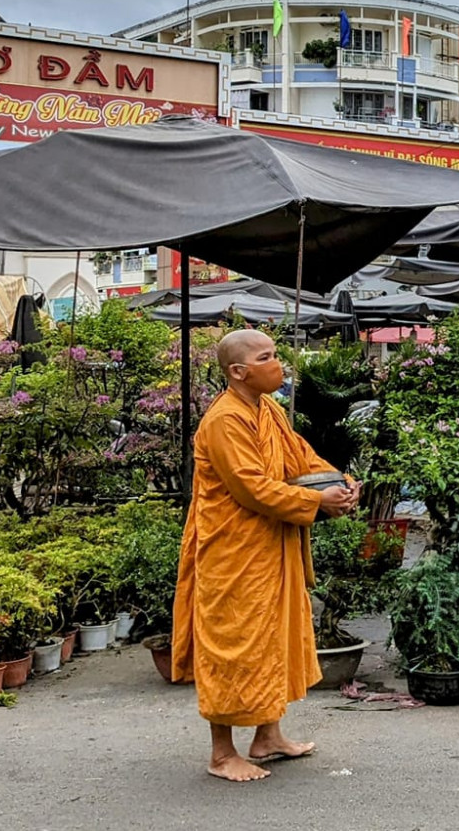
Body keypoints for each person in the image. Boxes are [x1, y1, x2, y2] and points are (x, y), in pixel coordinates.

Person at [172, 329, 358, 783]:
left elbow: (299, 459)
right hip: (233, 551)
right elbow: (252, 487)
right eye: (268, 357)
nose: (280, 364)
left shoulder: (267, 409)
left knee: (272, 638)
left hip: (270, 545)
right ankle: (221, 753)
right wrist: (318, 503)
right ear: (239, 372)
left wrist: (338, 481)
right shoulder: (224, 421)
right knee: (233, 646)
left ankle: (267, 735)